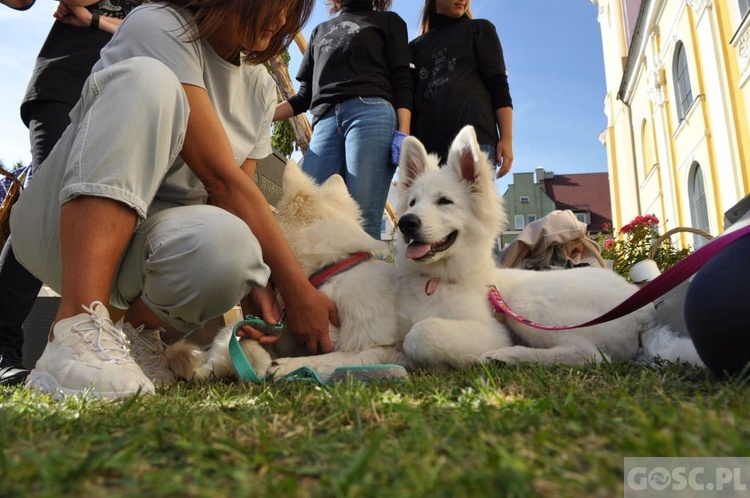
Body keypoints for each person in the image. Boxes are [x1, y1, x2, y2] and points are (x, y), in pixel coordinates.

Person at [9, 0, 338, 399]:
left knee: (234, 245)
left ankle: (135, 341)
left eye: (294, 8)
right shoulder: (158, 24)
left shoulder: (261, 88)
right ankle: (76, 325)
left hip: (141, 249)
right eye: (277, 3)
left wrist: (256, 284)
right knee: (149, 80)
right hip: (61, 229)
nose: (282, 19)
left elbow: (234, 203)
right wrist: (300, 292)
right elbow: (222, 178)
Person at [0, 0, 141, 386]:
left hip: (122, 96)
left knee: (115, 208)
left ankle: (91, 347)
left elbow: (147, 32)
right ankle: (2, 347)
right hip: (66, 81)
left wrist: (96, 20)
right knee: (48, 205)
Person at [273, 0, 412, 239]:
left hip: (371, 114)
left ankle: (366, 275)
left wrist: (404, 132)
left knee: (362, 221)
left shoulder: (389, 22)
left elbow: (403, 80)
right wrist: (263, 114)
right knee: (307, 214)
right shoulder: (319, 31)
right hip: (324, 123)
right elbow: (303, 97)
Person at [409, 0, 514, 178]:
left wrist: (507, 138)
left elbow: (499, 87)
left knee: (474, 206)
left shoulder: (480, 29)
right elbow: (410, 102)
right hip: (428, 150)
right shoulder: (414, 48)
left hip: (476, 141)